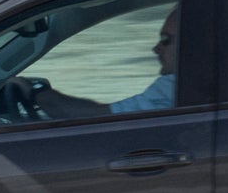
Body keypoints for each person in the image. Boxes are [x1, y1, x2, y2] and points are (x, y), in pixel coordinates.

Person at [10, 8, 178, 120]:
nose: (156, 49)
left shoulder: (174, 86)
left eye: (165, 40)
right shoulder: (183, 86)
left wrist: (35, 91)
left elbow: (98, 116)